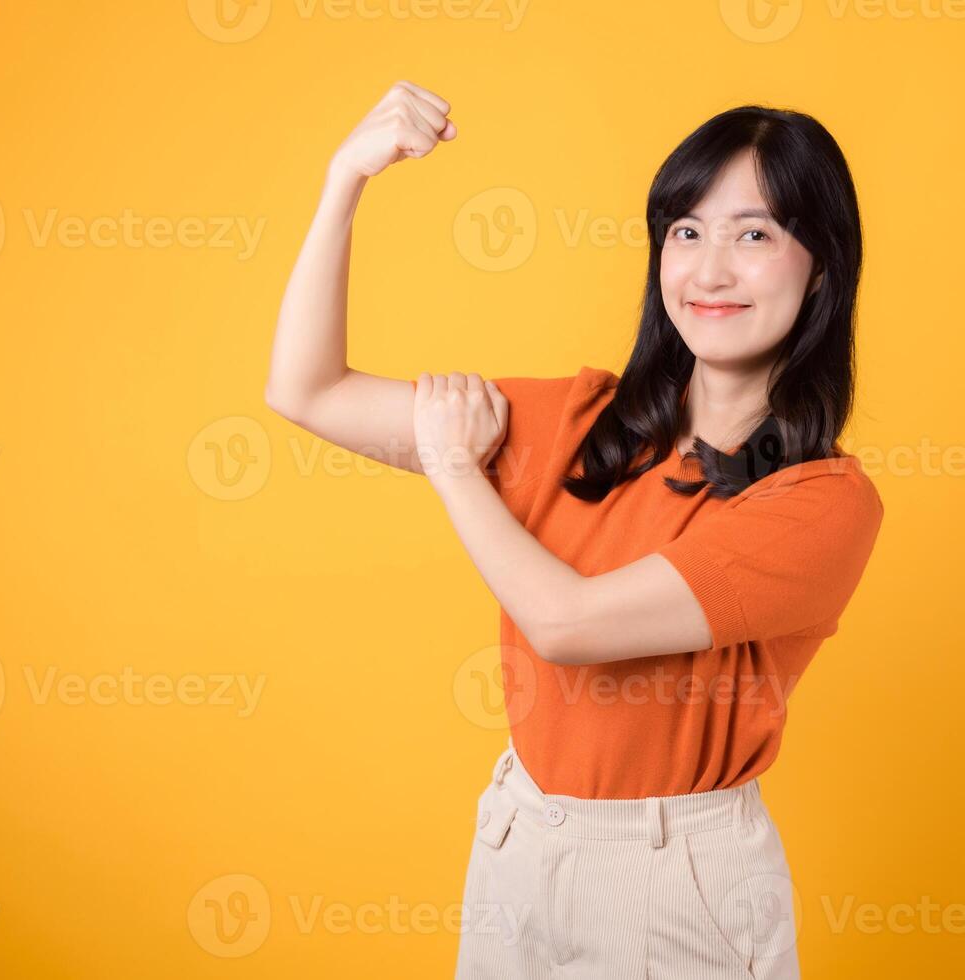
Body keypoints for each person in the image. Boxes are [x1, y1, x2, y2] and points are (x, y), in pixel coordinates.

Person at [265, 79, 884, 980]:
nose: (709, 271)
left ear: (821, 264)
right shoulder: (580, 421)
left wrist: (453, 465)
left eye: (753, 234)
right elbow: (306, 390)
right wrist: (345, 178)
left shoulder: (821, 501)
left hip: (675, 878)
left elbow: (569, 627)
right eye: (686, 232)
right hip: (520, 837)